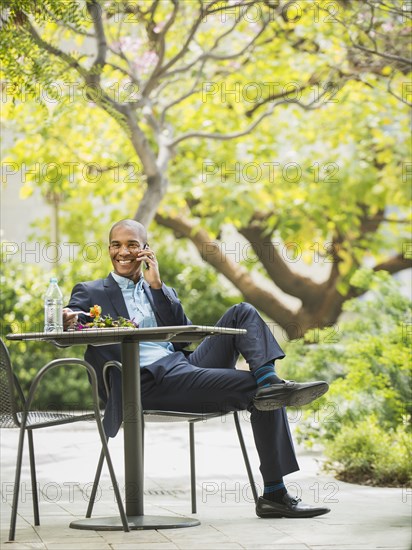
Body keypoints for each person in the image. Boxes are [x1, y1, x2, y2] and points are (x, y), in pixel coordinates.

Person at [63, 219, 331, 519]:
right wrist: (67, 321)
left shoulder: (157, 289)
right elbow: (70, 328)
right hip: (144, 382)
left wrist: (157, 285)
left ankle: (269, 380)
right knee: (262, 393)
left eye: (132, 244)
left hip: (181, 367)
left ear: (145, 250)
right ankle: (275, 494)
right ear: (109, 248)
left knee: (242, 312)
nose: (122, 251)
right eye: (116, 244)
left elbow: (185, 334)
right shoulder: (91, 291)